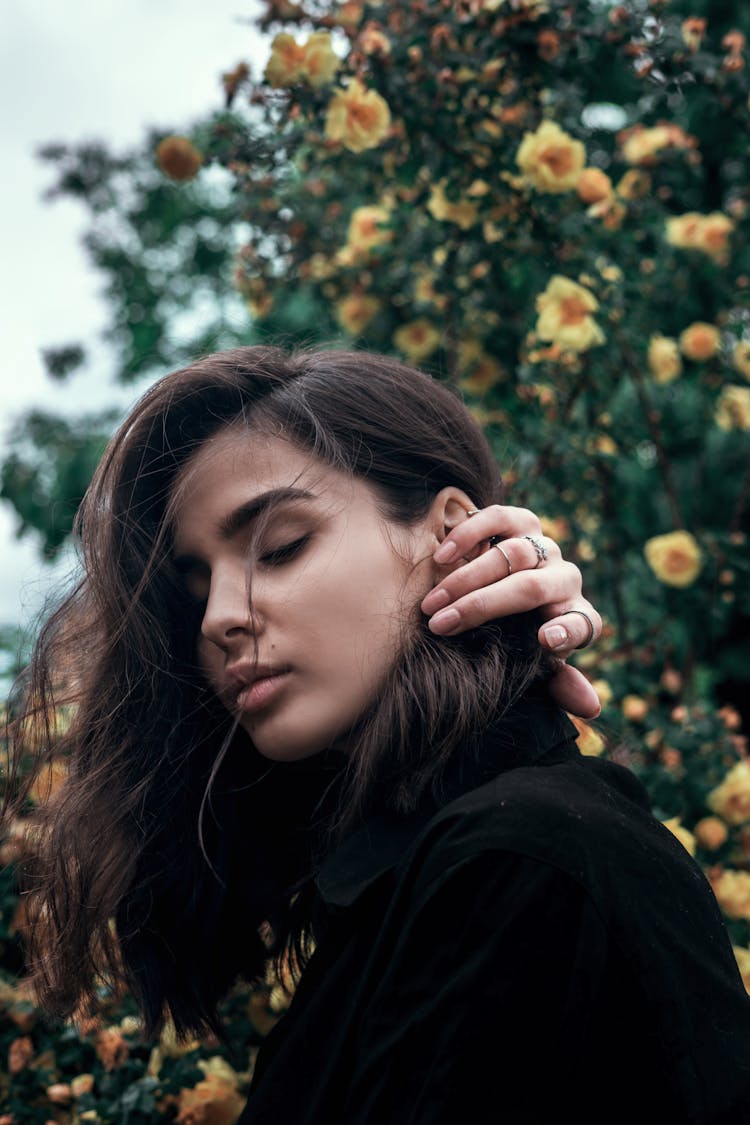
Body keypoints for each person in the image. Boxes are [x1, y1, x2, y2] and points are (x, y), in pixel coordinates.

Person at [9, 346, 750, 1123]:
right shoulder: (402, 879)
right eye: (198, 588)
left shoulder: (515, 858)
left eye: (281, 545)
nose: (222, 615)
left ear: (451, 532)